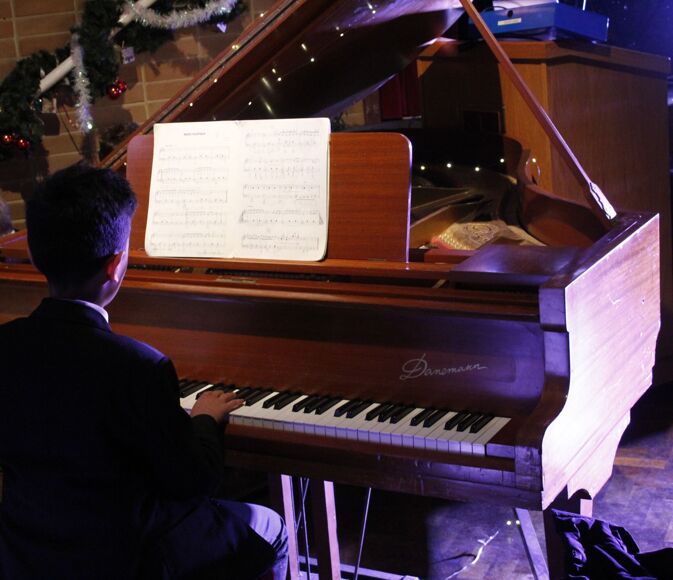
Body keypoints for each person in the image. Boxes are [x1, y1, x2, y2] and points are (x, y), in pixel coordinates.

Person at [0, 163, 288, 579]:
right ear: (117, 265)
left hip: (27, 549)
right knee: (271, 527)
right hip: (127, 557)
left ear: (32, 254)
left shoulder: (7, 344)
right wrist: (205, 420)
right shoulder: (139, 365)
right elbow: (193, 482)